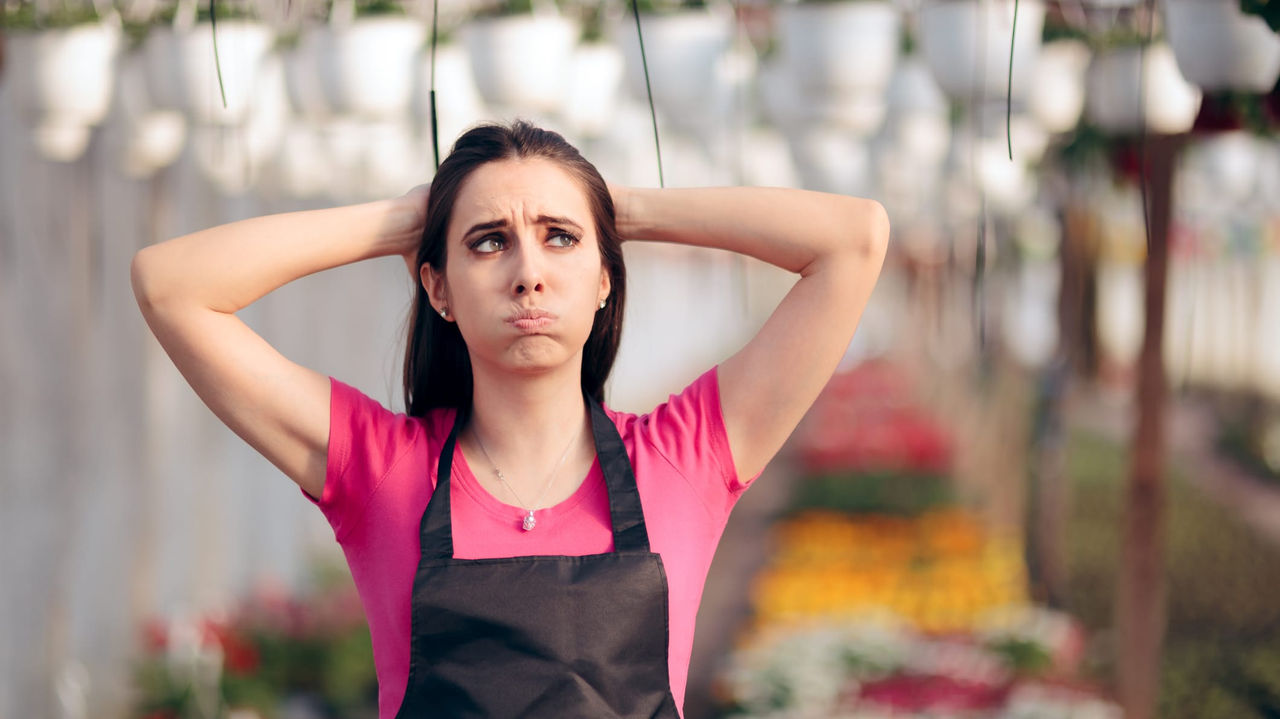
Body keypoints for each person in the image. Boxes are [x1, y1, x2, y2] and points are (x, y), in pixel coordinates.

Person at [131, 121, 889, 718]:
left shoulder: (683, 458)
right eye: (488, 241)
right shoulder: (379, 468)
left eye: (560, 237)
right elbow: (170, 285)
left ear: (603, 280)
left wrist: (623, 209)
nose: (528, 271)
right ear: (439, 288)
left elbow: (853, 241)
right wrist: (405, 219)